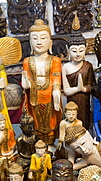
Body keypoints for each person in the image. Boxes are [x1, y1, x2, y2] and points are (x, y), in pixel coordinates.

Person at [22, 19, 62, 152]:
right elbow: (26, 79)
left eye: (43, 38)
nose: (39, 42)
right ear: (30, 43)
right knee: (36, 120)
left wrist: (56, 92)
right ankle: (39, 143)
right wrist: (26, 83)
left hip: (49, 93)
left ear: (50, 43)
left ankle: (50, 143)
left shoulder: (55, 60)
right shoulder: (27, 61)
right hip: (34, 94)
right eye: (35, 38)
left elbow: (56, 78)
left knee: (50, 120)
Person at [62, 16, 94, 129]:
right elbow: (66, 90)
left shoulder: (88, 66)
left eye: (81, 50)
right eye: (74, 51)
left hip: (85, 101)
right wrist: (77, 89)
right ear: (68, 50)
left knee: (84, 123)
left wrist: (84, 89)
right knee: (71, 123)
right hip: (71, 103)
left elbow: (93, 86)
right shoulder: (65, 67)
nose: (78, 54)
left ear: (85, 49)